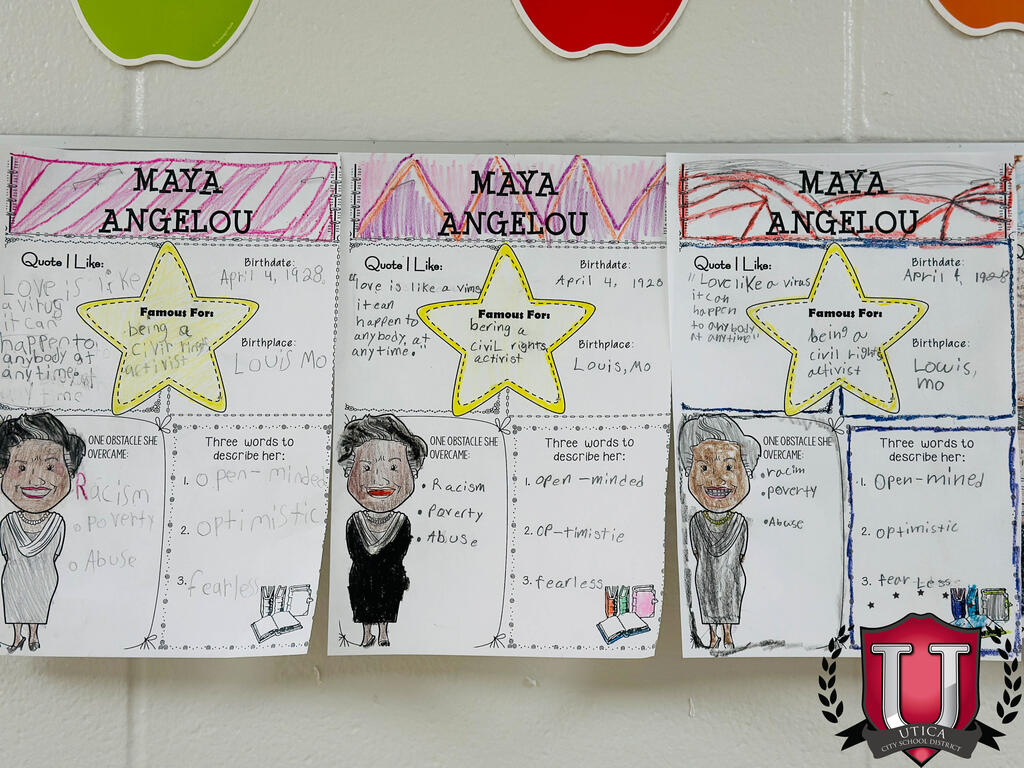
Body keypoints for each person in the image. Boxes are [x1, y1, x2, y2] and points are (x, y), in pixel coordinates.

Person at [337, 414, 426, 648]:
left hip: (390, 575)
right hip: (361, 575)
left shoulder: (402, 521)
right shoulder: (354, 521)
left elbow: (400, 552)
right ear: (349, 471)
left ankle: (384, 632)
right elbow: (354, 552)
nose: (379, 479)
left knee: (388, 599)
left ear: (413, 471)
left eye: (394, 467)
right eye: (366, 468)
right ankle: (367, 633)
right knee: (362, 601)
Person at [0, 413, 85, 652]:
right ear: (2, 470)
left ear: (69, 470)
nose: (36, 480)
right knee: (14, 605)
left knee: (37, 605)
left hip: (43, 577)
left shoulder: (57, 523)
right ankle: (18, 637)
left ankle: (33, 635)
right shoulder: (7, 522)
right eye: (22, 467)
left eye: (50, 467)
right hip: (15, 575)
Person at [678, 413, 761, 650]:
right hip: (707, 573)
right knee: (708, 600)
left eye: (729, 467)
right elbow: (696, 550)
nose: (717, 478)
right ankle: (714, 636)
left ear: (746, 469)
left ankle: (727, 634)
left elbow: (741, 554)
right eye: (704, 467)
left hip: (730, 574)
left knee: (730, 600)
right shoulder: (696, 521)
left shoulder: (739, 521)